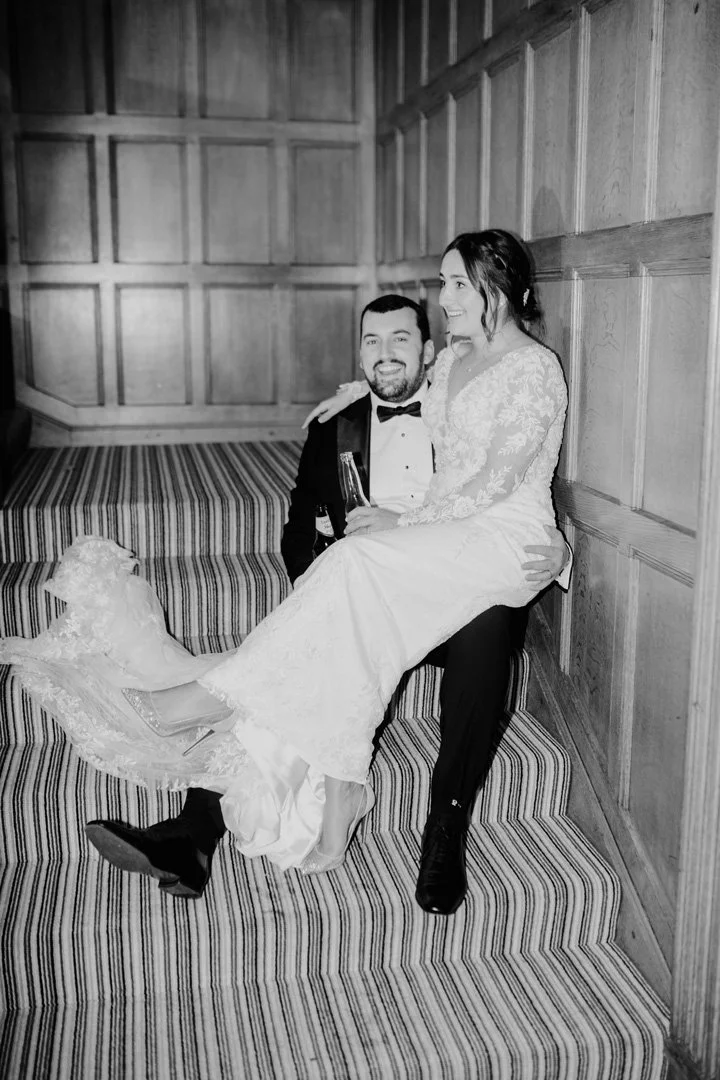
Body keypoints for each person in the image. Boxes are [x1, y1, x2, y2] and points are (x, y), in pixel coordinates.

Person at [0, 230, 568, 912]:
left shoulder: (536, 369)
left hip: (501, 538)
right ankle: (325, 798)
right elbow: (414, 395)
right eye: (443, 284)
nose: (443, 297)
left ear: (493, 289)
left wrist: (402, 523)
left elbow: (495, 482)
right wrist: (357, 392)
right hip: (441, 543)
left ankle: (212, 702)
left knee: (353, 564)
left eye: (454, 284)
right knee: (337, 616)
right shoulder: (449, 363)